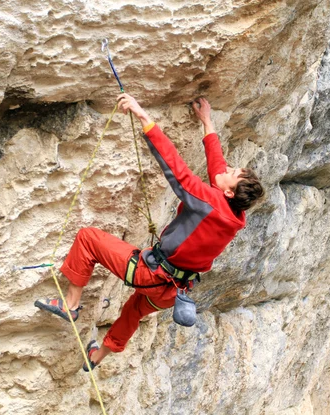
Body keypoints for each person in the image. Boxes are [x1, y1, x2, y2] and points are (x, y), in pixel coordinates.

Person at [35, 93, 264, 371]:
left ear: (228, 192)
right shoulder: (235, 213)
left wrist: (144, 116)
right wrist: (207, 122)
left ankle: (70, 304)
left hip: (150, 273)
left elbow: (177, 171)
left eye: (233, 171)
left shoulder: (210, 202)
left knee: (88, 238)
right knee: (132, 312)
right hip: (173, 291)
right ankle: (95, 358)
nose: (227, 167)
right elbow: (218, 169)